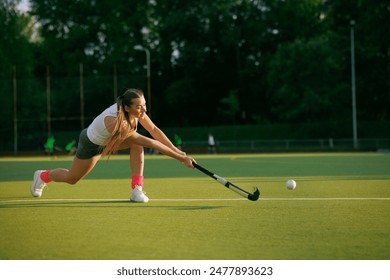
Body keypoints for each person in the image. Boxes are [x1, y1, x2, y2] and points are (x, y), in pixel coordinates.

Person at [30, 89, 195, 203]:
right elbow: (149, 141)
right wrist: (181, 158)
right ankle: (43, 176)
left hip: (111, 141)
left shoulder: (138, 112)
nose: (143, 109)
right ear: (127, 107)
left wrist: (177, 151)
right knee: (72, 179)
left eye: (144, 104)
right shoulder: (115, 119)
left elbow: (154, 130)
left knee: (137, 145)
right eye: (139, 106)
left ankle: (136, 189)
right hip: (91, 143)